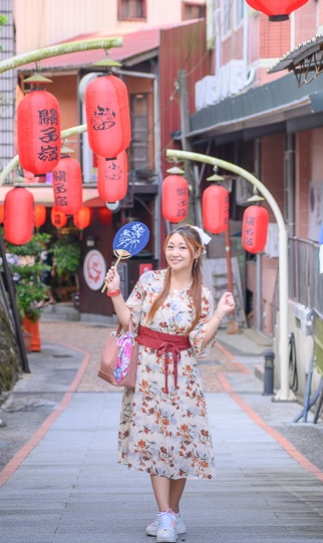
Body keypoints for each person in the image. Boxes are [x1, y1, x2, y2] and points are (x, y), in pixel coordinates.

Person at [104, 224, 236, 543]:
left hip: (184, 375)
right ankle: (164, 514)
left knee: (181, 445)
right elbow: (129, 322)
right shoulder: (150, 280)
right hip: (148, 371)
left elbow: (200, 342)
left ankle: (172, 514)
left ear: (196, 253)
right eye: (171, 246)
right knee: (154, 442)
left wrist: (219, 315)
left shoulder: (202, 294)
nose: (174, 253)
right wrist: (115, 292)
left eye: (182, 248)